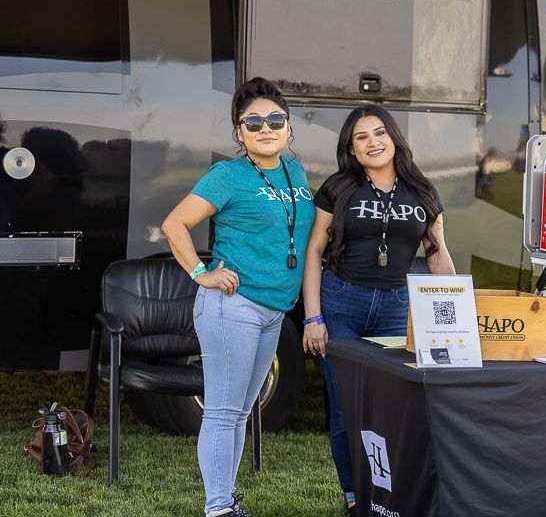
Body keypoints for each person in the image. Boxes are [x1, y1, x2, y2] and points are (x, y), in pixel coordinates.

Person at [162, 77, 315, 517]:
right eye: (253, 122)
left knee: (242, 411)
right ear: (239, 133)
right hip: (234, 307)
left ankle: (226, 501)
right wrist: (201, 273)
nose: (265, 128)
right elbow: (175, 224)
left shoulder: (295, 172)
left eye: (274, 120)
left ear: (289, 127)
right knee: (224, 410)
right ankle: (218, 507)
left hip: (273, 311)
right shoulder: (227, 175)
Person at [302, 105, 455, 512]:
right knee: (344, 406)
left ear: (394, 138)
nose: (373, 142)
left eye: (379, 133)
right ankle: (354, 497)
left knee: (394, 408)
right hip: (341, 304)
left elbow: (437, 255)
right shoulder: (338, 188)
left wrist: (455, 311)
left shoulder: (421, 189)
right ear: (351, 149)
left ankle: (389, 494)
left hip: (396, 307)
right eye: (362, 137)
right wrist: (313, 317)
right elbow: (314, 251)